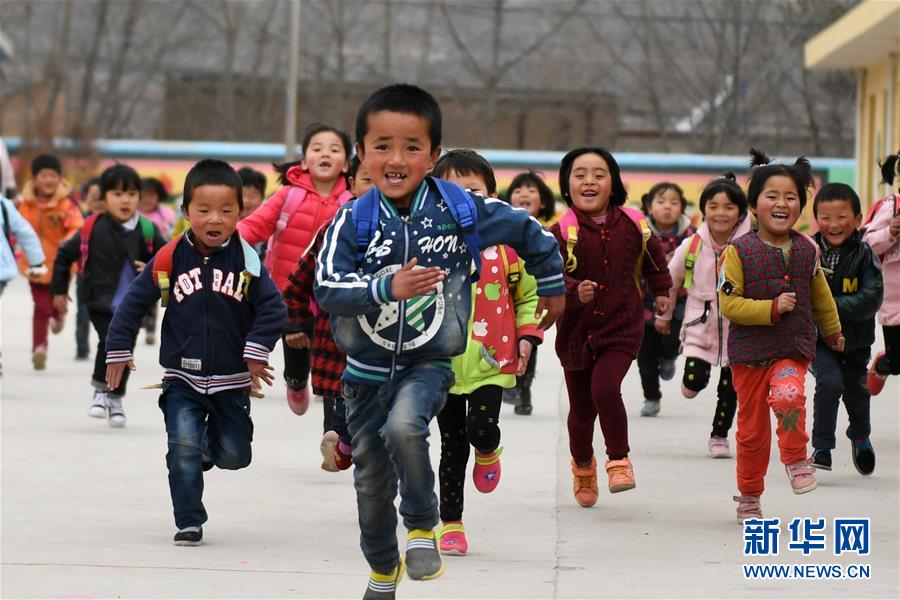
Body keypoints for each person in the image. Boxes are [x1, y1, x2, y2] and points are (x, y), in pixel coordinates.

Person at [314, 84, 564, 600]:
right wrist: (385, 287)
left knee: (407, 426)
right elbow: (326, 288)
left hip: (429, 362)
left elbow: (529, 232)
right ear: (361, 153)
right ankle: (383, 571)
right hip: (362, 375)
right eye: (382, 146)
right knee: (371, 485)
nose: (396, 158)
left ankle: (425, 527)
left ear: (433, 155)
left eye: (411, 147)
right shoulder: (352, 218)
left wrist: (553, 283)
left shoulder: (460, 209)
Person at [104, 159, 286, 546]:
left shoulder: (248, 261)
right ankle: (189, 520)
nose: (214, 219)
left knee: (236, 455)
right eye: (203, 210)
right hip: (181, 379)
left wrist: (256, 350)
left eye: (225, 210)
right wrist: (118, 348)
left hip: (232, 381)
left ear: (240, 212)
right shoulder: (170, 258)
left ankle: (207, 446)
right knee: (181, 451)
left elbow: (274, 308)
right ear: (186, 212)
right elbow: (134, 303)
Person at [718, 149, 843, 523]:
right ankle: (750, 494)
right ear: (754, 205)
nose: (781, 203)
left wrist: (833, 330)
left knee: (790, 394)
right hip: (749, 356)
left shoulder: (807, 249)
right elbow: (730, 306)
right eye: (771, 196)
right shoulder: (737, 253)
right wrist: (771, 308)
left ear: (801, 205)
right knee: (752, 434)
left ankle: (795, 460)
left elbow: (821, 295)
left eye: (791, 197)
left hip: (792, 349)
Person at [430, 150, 543, 556]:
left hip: (492, 361)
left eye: (473, 192)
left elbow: (528, 297)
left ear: (493, 197)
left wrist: (528, 335)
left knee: (479, 430)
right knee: (451, 444)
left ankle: (490, 448)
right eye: (451, 193)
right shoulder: (428, 246)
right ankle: (451, 523)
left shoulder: (508, 248)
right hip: (440, 363)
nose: (463, 201)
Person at [550, 147, 671, 509]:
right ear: (567, 184)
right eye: (580, 174)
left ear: (613, 182)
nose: (589, 180)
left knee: (605, 388)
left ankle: (618, 459)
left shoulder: (635, 224)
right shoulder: (560, 231)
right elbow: (548, 279)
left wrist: (662, 291)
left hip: (621, 326)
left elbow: (654, 262)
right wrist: (574, 291)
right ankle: (583, 466)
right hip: (576, 332)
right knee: (581, 412)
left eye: (599, 174)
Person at [238, 124, 354, 416]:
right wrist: (224, 240)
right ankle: (296, 382)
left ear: (346, 163)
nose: (325, 153)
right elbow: (255, 225)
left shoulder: (351, 202)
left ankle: (335, 428)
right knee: (297, 357)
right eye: (317, 148)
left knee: (336, 363)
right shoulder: (289, 195)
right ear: (304, 161)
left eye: (334, 149)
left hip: (332, 297)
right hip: (290, 295)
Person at [51, 164, 167, 427]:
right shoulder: (92, 227)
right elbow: (64, 255)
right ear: (104, 198)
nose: (125, 200)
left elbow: (168, 260)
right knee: (110, 340)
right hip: (100, 301)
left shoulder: (147, 230)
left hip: (135, 305)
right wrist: (58, 290)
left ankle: (114, 397)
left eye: (131, 194)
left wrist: (151, 269)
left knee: (125, 349)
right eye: (117, 194)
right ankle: (101, 390)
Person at [282, 156, 374, 473]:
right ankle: (339, 440)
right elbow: (298, 280)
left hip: (390, 343)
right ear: (350, 184)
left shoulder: (412, 232)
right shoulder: (333, 232)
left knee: (378, 417)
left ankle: (346, 443)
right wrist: (294, 321)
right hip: (339, 341)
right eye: (367, 180)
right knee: (347, 395)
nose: (376, 189)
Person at [658, 173, 750, 458]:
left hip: (738, 326)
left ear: (741, 214)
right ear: (704, 210)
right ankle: (694, 381)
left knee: (731, 386)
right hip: (701, 323)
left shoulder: (749, 247)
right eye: (713, 206)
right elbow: (670, 281)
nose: (720, 213)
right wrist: (664, 315)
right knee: (695, 381)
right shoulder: (692, 246)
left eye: (728, 207)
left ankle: (719, 436)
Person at [808, 183, 883, 476]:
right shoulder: (808, 250)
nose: (834, 224)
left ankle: (860, 436)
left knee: (857, 390)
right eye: (825, 217)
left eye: (842, 217)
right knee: (829, 383)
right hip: (819, 340)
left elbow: (871, 298)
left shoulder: (866, 255)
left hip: (856, 341)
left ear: (858, 218)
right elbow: (801, 296)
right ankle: (822, 448)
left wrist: (828, 305)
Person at [16, 154, 84, 370]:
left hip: (60, 263)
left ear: (59, 178)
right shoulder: (26, 205)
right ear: (35, 179)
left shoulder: (66, 205)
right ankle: (39, 348)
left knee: (54, 301)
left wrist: (68, 242)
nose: (49, 180)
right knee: (40, 306)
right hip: (35, 262)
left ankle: (60, 313)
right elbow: (16, 227)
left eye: (53, 175)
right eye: (44, 175)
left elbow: (77, 225)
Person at [637, 182, 696, 417]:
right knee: (645, 357)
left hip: (680, 299)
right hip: (646, 300)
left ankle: (670, 357)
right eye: (661, 202)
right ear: (650, 207)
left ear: (682, 207)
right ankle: (651, 397)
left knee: (673, 340)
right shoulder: (640, 232)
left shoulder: (690, 235)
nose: (667, 208)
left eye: (674, 202)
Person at [501, 170, 557, 415]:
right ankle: (509, 385)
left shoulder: (546, 234)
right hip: (504, 296)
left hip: (533, 298)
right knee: (502, 339)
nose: (524, 194)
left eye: (531, 190)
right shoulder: (500, 231)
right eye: (518, 190)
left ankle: (523, 389)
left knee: (528, 341)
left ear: (542, 201)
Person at [863, 150, 900, 396]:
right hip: (895, 302)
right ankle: (883, 364)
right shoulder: (892, 206)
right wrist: (891, 233)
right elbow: (866, 243)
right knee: (897, 362)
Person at [139, 177, 176, 346]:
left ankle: (151, 330)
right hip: (137, 259)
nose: (147, 200)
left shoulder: (166, 214)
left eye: (151, 196)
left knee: (153, 296)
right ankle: (139, 319)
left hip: (157, 259)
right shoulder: (134, 214)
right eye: (143, 196)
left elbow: (173, 233)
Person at [75, 177, 103, 360]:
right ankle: (82, 346)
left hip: (108, 276)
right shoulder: (79, 219)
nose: (96, 201)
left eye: (100, 197)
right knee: (83, 311)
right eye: (92, 197)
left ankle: (109, 347)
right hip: (84, 274)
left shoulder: (116, 223)